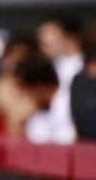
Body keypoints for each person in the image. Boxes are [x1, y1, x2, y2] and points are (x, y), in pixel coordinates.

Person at [33, 15, 83, 143]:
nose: (43, 39)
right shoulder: (46, 69)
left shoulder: (87, 69)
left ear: (70, 37)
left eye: (50, 33)